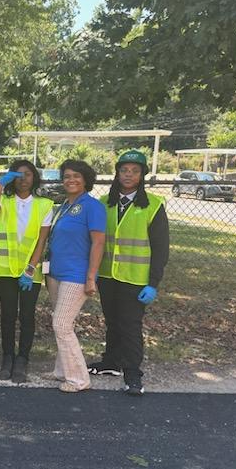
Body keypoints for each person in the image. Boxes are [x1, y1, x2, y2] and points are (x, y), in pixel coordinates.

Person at [90, 150, 170, 396]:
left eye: (135, 171)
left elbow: (161, 248)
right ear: (117, 172)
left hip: (135, 279)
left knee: (130, 325)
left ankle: (133, 374)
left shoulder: (153, 206)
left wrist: (153, 283)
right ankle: (111, 362)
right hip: (107, 276)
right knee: (112, 321)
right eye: (124, 170)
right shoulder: (104, 202)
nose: (128, 175)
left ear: (142, 175)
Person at [0, 160, 53, 383]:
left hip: (29, 271)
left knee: (26, 316)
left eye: (27, 174)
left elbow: (42, 241)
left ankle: (22, 359)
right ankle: (8, 357)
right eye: (17, 175)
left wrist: (31, 268)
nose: (23, 179)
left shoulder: (44, 205)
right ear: (11, 178)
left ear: (34, 177)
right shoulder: (4, 200)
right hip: (5, 268)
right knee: (7, 315)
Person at [45, 159, 106, 393]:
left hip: (77, 275)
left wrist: (91, 277)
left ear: (86, 180)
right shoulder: (63, 207)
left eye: (76, 176)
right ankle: (62, 371)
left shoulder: (92, 206)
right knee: (62, 322)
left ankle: (79, 379)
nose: (71, 180)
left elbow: (98, 242)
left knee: (61, 323)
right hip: (56, 274)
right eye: (67, 176)